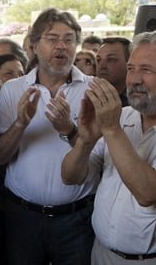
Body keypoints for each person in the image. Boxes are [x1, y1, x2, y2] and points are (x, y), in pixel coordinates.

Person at [0, 8, 98, 264]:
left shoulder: (94, 90)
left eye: (69, 39)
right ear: (34, 45)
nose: (61, 47)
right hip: (23, 218)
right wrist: (20, 123)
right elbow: (0, 157)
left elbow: (100, 158)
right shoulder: (13, 90)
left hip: (77, 220)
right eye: (52, 39)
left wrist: (69, 130)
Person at [61, 32, 156, 264]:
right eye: (131, 68)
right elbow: (70, 176)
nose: (134, 79)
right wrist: (85, 140)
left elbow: (148, 193)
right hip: (101, 253)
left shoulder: (113, 122)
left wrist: (112, 130)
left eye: (146, 70)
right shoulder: (121, 116)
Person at [96, 37, 131, 107]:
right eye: (98, 60)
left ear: (129, 63)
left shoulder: (139, 99)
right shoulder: (87, 96)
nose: (102, 66)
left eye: (111, 59)